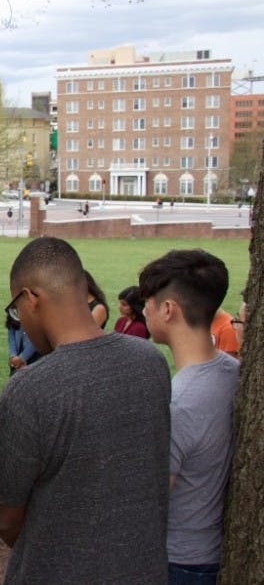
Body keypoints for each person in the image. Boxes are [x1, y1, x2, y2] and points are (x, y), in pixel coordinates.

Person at [0, 237, 170, 584]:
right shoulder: (150, 362)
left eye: (16, 309)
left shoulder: (30, 390)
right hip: (144, 569)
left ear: (31, 299)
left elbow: (5, 517)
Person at [138, 250, 239, 585]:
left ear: (168, 310)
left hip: (180, 561)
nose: (143, 310)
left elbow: (151, 503)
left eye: (147, 301)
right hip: (209, 553)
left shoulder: (177, 404)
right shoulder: (234, 372)